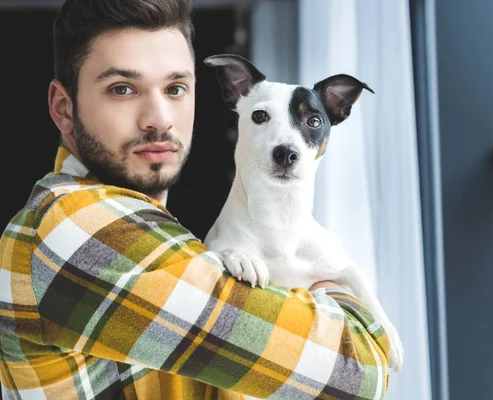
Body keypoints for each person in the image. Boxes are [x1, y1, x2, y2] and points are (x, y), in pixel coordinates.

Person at [0, 0, 391, 399]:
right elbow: (358, 372)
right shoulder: (76, 226)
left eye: (175, 89)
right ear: (64, 109)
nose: (159, 117)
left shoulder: (162, 239)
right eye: (122, 88)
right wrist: (331, 282)